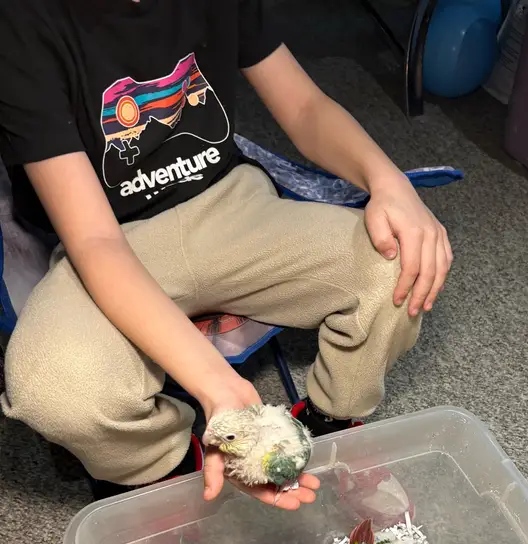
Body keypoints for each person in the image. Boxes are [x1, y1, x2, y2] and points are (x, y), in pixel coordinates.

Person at [0, 0, 452, 509]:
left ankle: (330, 425)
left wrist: (387, 181)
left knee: (400, 260)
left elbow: (304, 106)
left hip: (230, 204)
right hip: (109, 238)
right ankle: (159, 473)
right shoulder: (21, 24)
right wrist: (217, 386)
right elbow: (95, 242)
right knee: (53, 387)